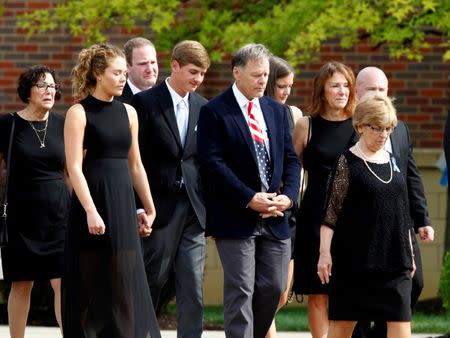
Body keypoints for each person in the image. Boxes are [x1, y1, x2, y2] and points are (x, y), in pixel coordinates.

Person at [197, 43, 301, 338]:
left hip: (276, 215)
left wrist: (289, 197)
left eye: (265, 75)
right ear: (236, 72)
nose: (262, 81)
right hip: (235, 215)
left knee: (275, 287)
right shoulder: (214, 111)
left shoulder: (277, 112)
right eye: (256, 75)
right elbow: (212, 164)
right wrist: (249, 198)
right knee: (241, 289)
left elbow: (291, 160)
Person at [62, 44, 160, 337]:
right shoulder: (78, 112)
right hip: (92, 203)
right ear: (97, 74)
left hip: (122, 203)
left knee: (125, 281)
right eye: (116, 73)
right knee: (91, 284)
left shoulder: (129, 112)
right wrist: (91, 211)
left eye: (124, 73)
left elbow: (136, 165)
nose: (122, 78)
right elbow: (74, 167)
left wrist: (149, 207)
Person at [317, 94, 415, 338]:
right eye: (377, 128)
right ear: (360, 125)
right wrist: (324, 253)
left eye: (388, 128)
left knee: (401, 326)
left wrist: (410, 253)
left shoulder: (392, 160)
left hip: (395, 261)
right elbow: (331, 214)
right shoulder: (346, 162)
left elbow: (402, 211)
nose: (384, 135)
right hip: (355, 263)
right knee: (342, 328)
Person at [131, 40, 210, 338]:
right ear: (174, 65)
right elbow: (134, 161)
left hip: (192, 210)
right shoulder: (145, 104)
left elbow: (202, 161)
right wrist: (140, 206)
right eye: (193, 71)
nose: (198, 79)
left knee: (193, 288)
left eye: (202, 73)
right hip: (157, 209)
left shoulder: (203, 107)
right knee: (152, 281)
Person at [352, 66, 434, 338]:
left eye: (382, 90)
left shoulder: (400, 130)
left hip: (401, 224)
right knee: (362, 294)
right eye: (371, 89)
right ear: (357, 92)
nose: (377, 94)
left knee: (416, 282)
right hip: (365, 228)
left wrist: (423, 219)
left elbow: (412, 176)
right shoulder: (350, 128)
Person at [0, 65, 70, 338]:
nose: (49, 91)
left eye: (52, 86)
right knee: (21, 284)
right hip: (20, 217)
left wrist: (87, 209)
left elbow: (70, 173)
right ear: (27, 91)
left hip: (59, 215)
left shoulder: (63, 124)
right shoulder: (8, 125)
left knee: (63, 284)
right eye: (42, 85)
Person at [292, 61, 356, 338]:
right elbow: (292, 173)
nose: (342, 91)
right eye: (335, 85)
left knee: (349, 290)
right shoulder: (306, 126)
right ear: (322, 90)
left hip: (352, 215)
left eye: (346, 85)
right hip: (314, 214)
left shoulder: (359, 124)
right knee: (318, 292)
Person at [264, 55, 303, 338]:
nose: (286, 91)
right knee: (264, 293)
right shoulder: (252, 113)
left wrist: (292, 194)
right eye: (281, 85)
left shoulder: (294, 115)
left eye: (290, 85)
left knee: (280, 293)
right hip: (259, 207)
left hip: (289, 209)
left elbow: (299, 163)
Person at [117, 37, 158, 103]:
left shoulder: (166, 100)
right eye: (143, 64)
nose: (150, 70)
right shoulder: (115, 102)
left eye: (153, 62)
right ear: (127, 67)